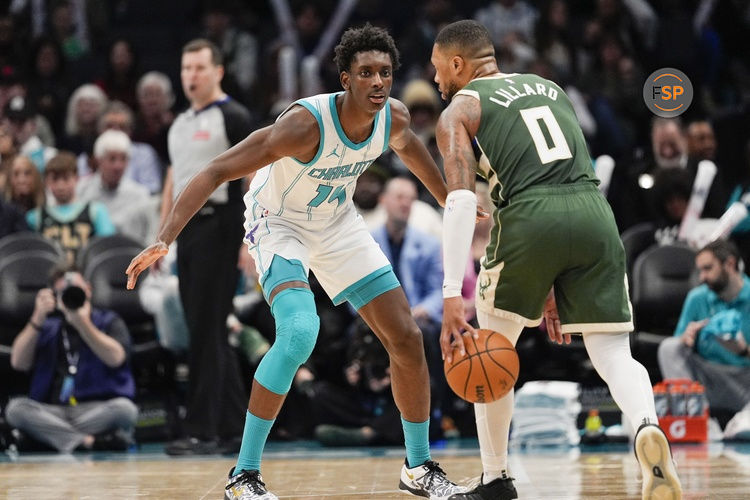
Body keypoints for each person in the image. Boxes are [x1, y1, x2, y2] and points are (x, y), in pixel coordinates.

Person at [126, 24, 467, 500]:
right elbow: (217, 169)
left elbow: (416, 157)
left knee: (406, 337)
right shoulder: (305, 125)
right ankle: (243, 476)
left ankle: (418, 467)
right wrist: (165, 238)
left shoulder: (394, 119)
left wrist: (456, 204)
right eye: (365, 72)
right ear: (345, 79)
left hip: (336, 223)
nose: (377, 82)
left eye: (385, 73)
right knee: (299, 332)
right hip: (277, 223)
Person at [431, 20, 682, 500]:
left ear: (459, 64)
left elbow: (462, 202)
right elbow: (556, 168)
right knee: (613, 354)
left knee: (489, 349)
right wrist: (550, 284)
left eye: (439, 69)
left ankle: (495, 479)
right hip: (593, 213)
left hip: (528, 215)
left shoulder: (460, 109)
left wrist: (450, 297)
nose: (439, 81)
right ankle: (648, 427)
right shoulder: (550, 88)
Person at [160, 38, 254, 456]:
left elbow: (253, 175)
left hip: (222, 227)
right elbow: (174, 181)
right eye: (185, 68)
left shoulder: (232, 116)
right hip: (188, 235)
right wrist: (162, 238)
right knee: (209, 330)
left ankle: (202, 430)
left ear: (218, 72)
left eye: (199, 68)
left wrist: (250, 239)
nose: (191, 76)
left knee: (206, 330)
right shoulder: (178, 123)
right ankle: (234, 428)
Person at [5, 267, 137, 453]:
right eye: (63, 293)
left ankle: (49, 439)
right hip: (52, 410)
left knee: (126, 410)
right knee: (15, 409)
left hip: (95, 409)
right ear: (55, 297)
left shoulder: (108, 320)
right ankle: (87, 442)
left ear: (88, 290)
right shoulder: (48, 326)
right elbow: (18, 362)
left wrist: (83, 323)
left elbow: (116, 358)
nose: (70, 296)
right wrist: (38, 316)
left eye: (75, 289)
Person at [657, 240, 750, 429]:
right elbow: (676, 350)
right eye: (700, 270)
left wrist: (742, 350)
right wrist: (685, 339)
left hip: (745, 382)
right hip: (708, 379)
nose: (702, 277)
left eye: (708, 269)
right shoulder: (696, 298)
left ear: (730, 264)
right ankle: (695, 418)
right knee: (670, 347)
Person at [26, 151, 115, 265]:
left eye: (66, 178)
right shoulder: (35, 217)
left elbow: (107, 249)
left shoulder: (96, 211)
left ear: (76, 178)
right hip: (49, 278)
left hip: (87, 278)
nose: (60, 185)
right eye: (55, 179)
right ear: (47, 181)